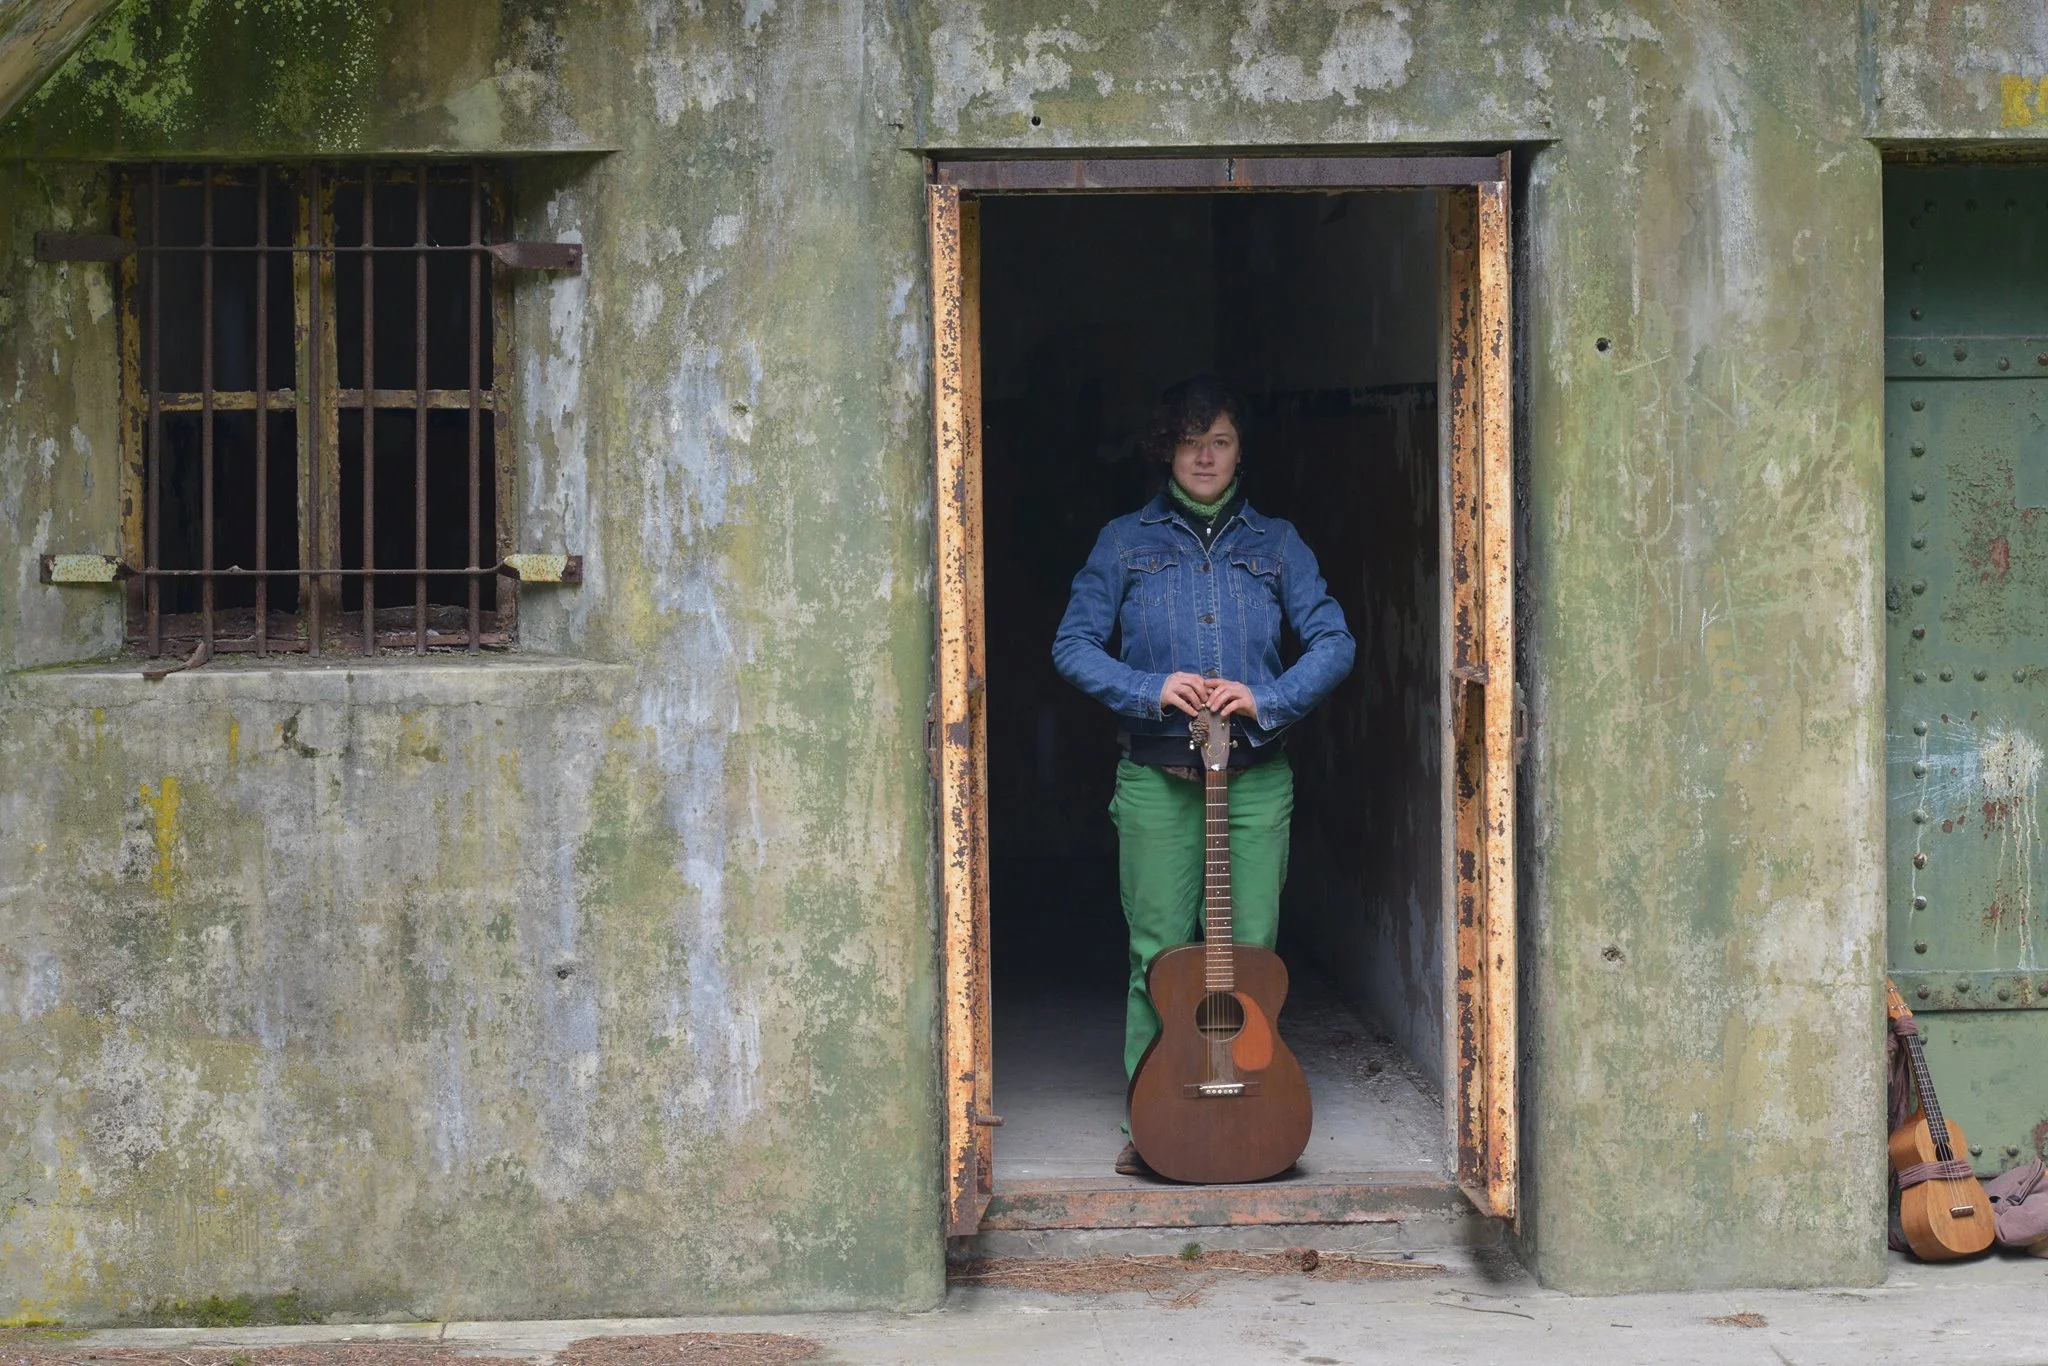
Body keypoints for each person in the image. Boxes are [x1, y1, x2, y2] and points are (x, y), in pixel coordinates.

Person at [1052, 375, 1355, 1177]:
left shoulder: (1278, 544)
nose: (1206, 457)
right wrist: (1149, 688)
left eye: (1220, 441)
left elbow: (1334, 641)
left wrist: (1267, 698)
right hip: (1158, 781)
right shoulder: (1125, 542)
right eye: (1191, 443)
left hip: (1254, 781)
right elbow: (1072, 644)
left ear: (1240, 449)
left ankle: (1249, 1107)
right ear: (1168, 451)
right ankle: (1152, 1120)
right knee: (1158, 956)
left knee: (1249, 955)